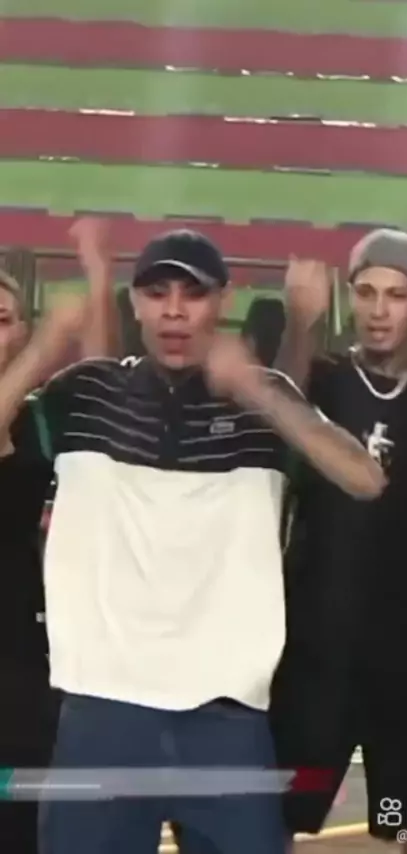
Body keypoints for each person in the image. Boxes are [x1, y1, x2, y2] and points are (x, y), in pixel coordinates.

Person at [0, 228, 384, 854]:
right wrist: (46, 344)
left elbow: (364, 479)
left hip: (226, 721)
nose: (174, 311)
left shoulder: (266, 400)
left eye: (193, 294)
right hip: (101, 713)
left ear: (222, 302)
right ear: (136, 303)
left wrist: (256, 388)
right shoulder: (87, 391)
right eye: (157, 293)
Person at [271, 229, 407, 854]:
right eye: (366, 292)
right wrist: (300, 325)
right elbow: (274, 417)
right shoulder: (321, 381)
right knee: (272, 821)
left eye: (396, 295)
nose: (379, 309)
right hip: (317, 659)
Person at [0, 218, 116, 854]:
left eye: (0, 320)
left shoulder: (42, 417)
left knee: (26, 826)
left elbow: (101, 383)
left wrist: (98, 274)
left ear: (17, 331)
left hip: (27, 654)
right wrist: (48, 343)